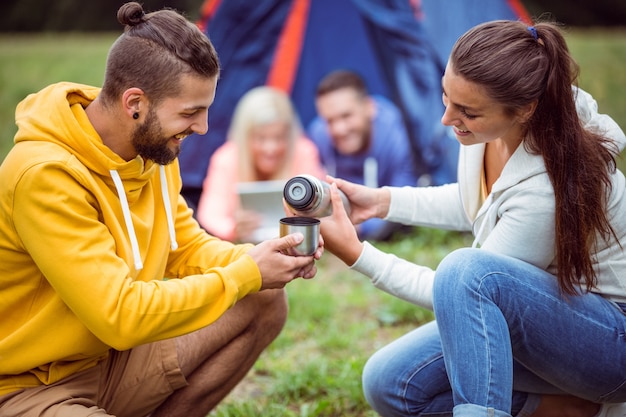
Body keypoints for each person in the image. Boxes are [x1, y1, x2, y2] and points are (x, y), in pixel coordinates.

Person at [0, 3, 323, 417]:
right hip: (29, 384)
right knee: (247, 283)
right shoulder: (42, 175)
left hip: (113, 361)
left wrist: (262, 260)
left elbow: (187, 249)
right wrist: (246, 273)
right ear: (135, 103)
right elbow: (120, 315)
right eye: (190, 112)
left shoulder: (153, 154)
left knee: (263, 299)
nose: (202, 127)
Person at [314, 20, 626, 417]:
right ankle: (564, 408)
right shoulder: (488, 130)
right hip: (550, 321)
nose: (447, 119)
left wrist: (359, 255)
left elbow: (464, 293)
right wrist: (382, 202)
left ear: (526, 109)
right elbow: (475, 200)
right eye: (446, 97)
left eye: (466, 111)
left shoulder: (546, 186)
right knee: (389, 383)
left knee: (466, 272)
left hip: (609, 344)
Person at [196, 85, 325, 243]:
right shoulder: (226, 158)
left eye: (279, 138)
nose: (270, 149)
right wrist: (233, 229)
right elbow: (211, 214)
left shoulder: (303, 151)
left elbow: (321, 206)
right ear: (245, 136)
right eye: (261, 138)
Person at [307, 70, 419, 241]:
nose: (339, 129)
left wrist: (359, 226)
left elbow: (404, 200)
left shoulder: (396, 136)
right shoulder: (318, 134)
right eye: (329, 120)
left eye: (346, 116)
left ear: (369, 108)